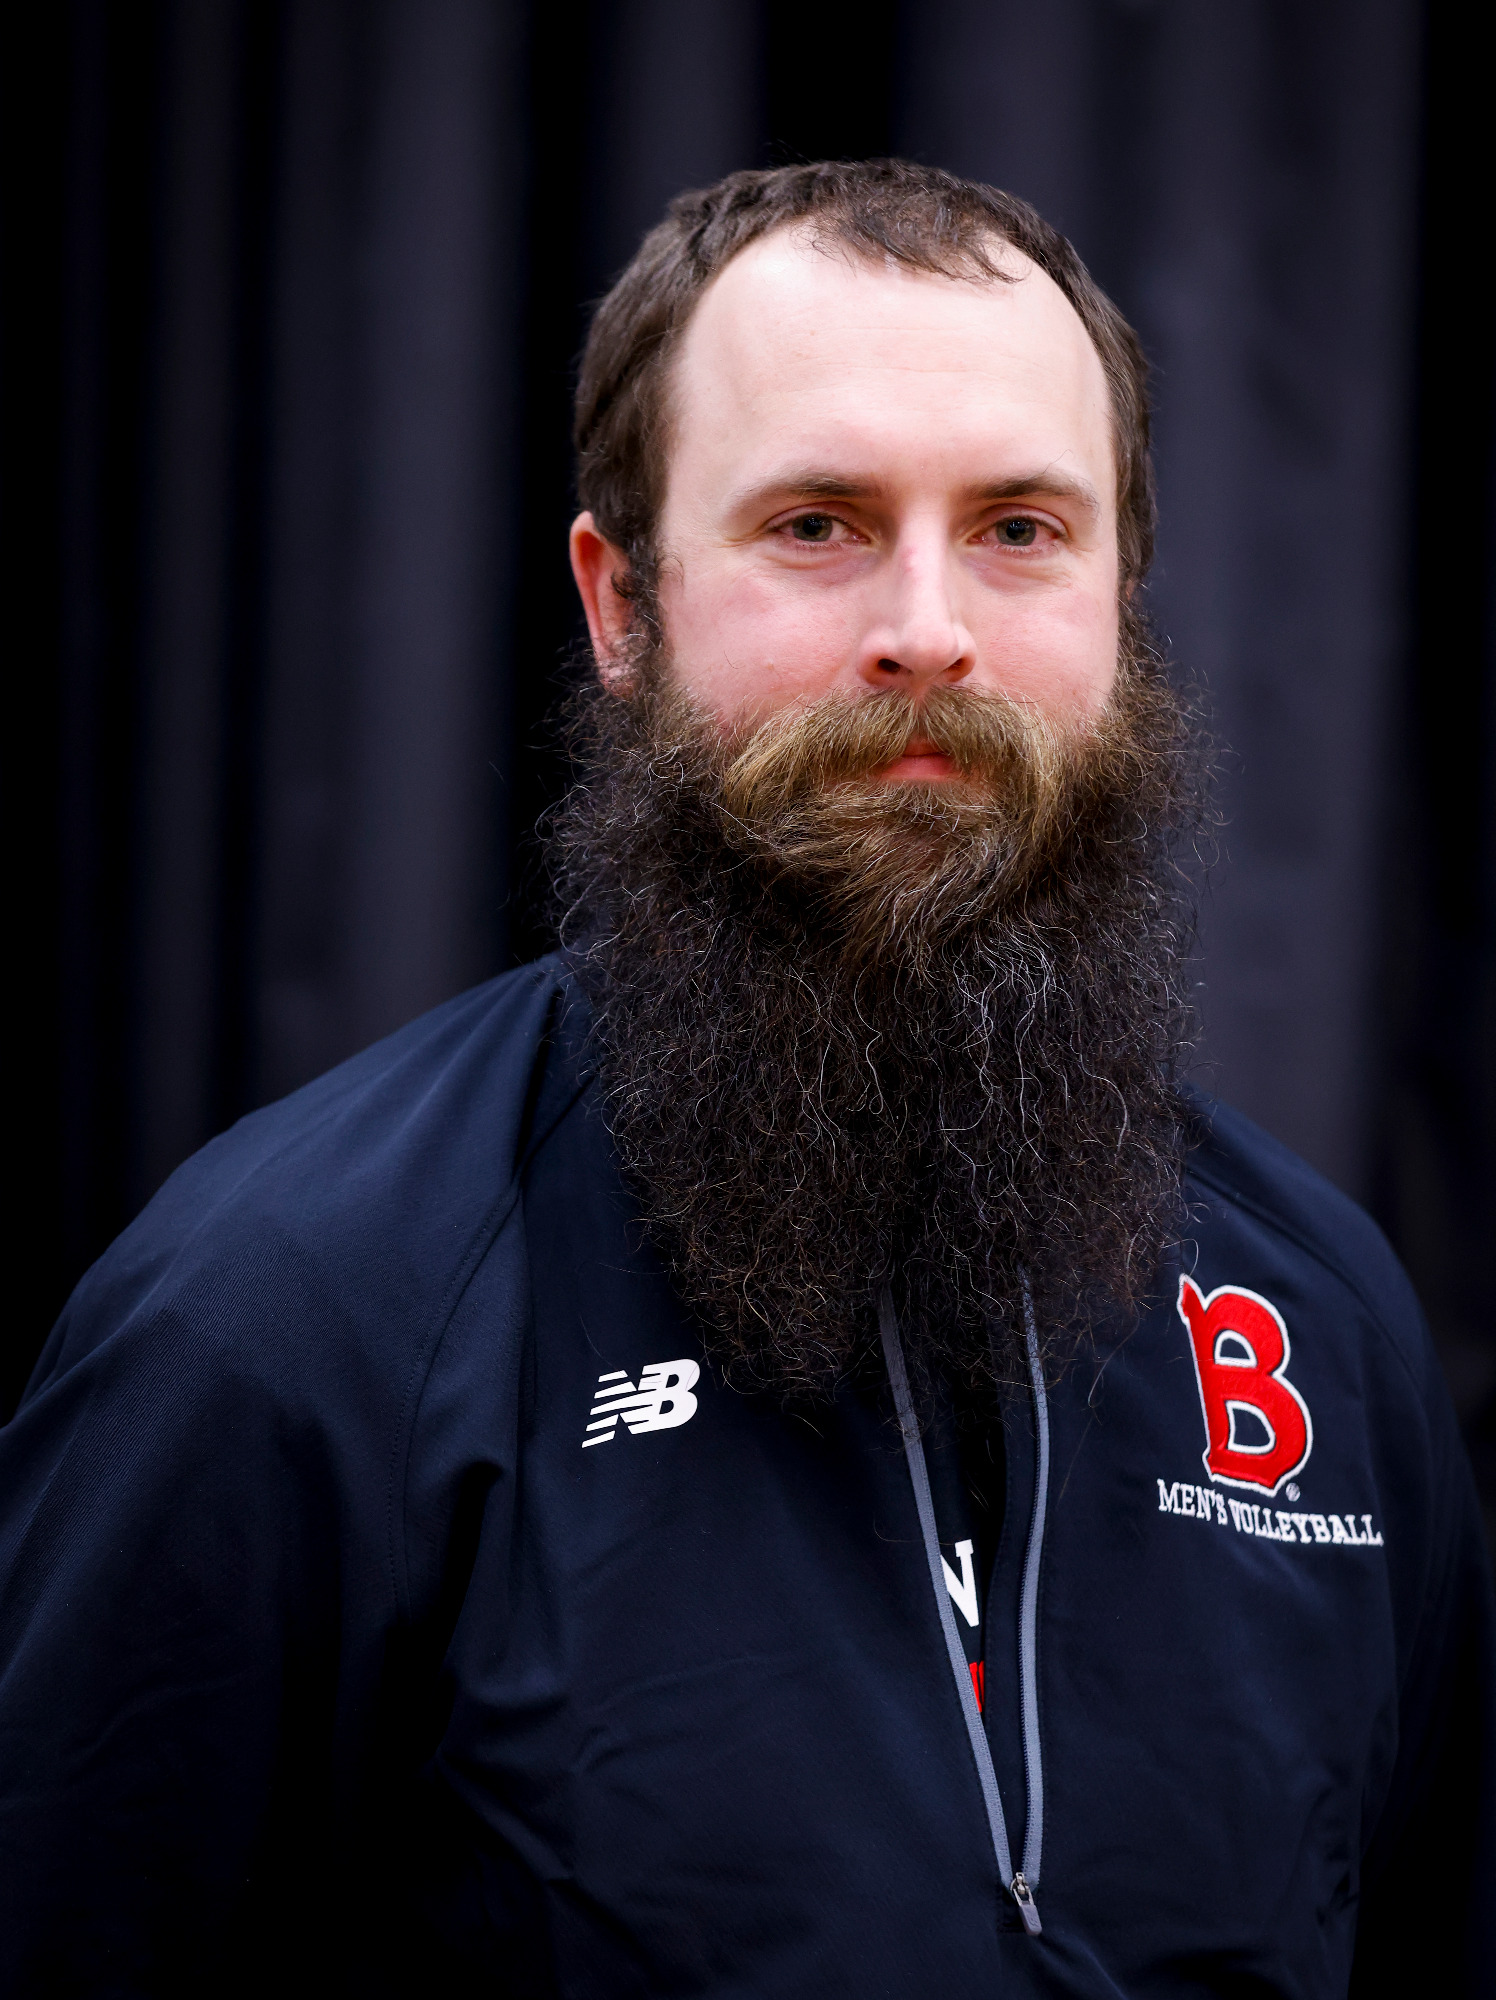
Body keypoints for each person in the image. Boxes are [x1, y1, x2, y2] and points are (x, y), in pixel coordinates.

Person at [1, 160, 1491, 1999]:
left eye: (1022, 529)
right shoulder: (290, 1318)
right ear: (620, 607)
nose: (929, 630)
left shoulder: (1319, 1321)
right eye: (816, 523)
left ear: (1123, 602)